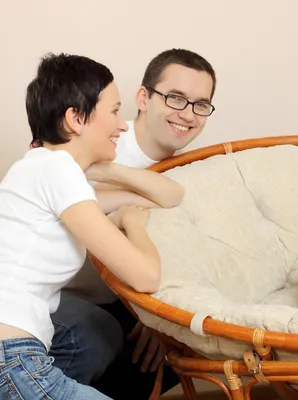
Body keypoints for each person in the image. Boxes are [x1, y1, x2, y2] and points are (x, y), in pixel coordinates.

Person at [0, 53, 184, 399]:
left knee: (96, 333)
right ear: (75, 118)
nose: (123, 125)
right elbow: (146, 276)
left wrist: (101, 166)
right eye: (114, 111)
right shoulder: (57, 172)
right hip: (12, 361)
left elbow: (171, 195)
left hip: (15, 356)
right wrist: (134, 225)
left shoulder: (46, 170)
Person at [49, 48, 217, 399]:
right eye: (175, 98)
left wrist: (156, 320)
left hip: (120, 300)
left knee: (179, 345)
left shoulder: (187, 173)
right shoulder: (94, 143)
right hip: (54, 294)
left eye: (201, 104)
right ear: (143, 98)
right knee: (94, 337)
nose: (187, 114)